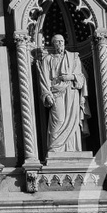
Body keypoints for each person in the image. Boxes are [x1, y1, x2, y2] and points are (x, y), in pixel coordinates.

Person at [39, 31, 89, 160]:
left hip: (72, 91)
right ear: (53, 44)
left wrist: (70, 76)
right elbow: (44, 79)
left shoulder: (74, 57)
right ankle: (55, 148)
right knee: (59, 119)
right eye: (57, 41)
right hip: (56, 93)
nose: (60, 43)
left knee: (73, 120)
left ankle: (72, 148)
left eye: (62, 41)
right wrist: (46, 94)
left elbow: (81, 77)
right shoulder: (47, 59)